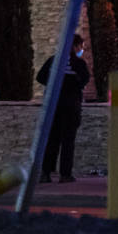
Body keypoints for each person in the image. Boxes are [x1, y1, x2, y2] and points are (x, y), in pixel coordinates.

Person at [35, 34, 91, 183]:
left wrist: (54, 84)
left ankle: (46, 173)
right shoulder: (78, 63)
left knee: (52, 139)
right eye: (81, 47)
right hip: (71, 106)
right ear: (75, 46)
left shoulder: (54, 60)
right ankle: (65, 174)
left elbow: (40, 77)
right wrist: (73, 84)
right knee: (68, 140)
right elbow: (84, 79)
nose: (82, 50)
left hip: (53, 105)